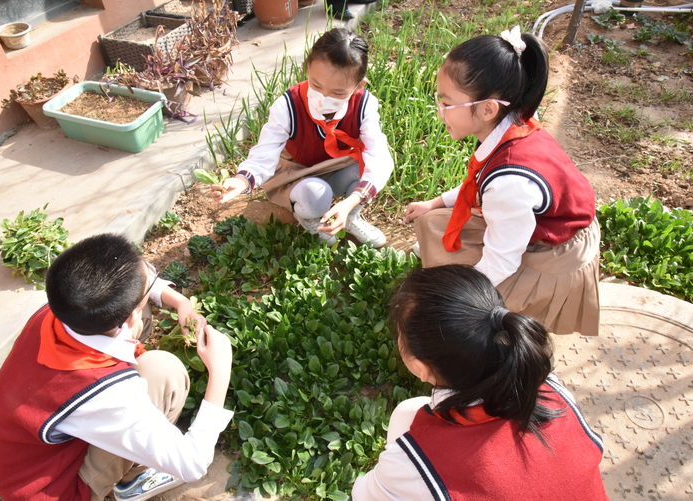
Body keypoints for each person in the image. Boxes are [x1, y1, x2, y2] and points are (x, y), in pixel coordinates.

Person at [0, 234, 234, 501]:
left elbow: (138, 280)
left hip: (20, 450)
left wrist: (181, 303)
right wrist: (220, 370)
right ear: (129, 317)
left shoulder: (64, 305)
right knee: (164, 372)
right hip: (51, 488)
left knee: (139, 320)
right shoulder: (107, 395)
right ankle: (132, 481)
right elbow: (192, 464)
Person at [403, 27, 600, 336]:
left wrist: (452, 297)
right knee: (431, 221)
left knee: (455, 306)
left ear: (487, 109)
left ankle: (512, 330)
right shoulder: (513, 125)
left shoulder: (509, 181)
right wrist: (435, 202)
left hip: (556, 259)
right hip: (539, 232)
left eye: (446, 104)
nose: (440, 112)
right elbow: (481, 185)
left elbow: (500, 263)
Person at [352, 265, 610, 501]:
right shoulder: (554, 390)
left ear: (420, 367)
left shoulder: (415, 462)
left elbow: (364, 494)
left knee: (405, 414)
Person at [210, 28, 393, 248]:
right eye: (316, 85)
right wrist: (241, 180)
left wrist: (350, 202)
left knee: (365, 167)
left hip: (337, 166)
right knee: (314, 194)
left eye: (338, 93)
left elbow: (379, 157)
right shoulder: (288, 106)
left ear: (358, 87)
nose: (324, 97)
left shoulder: (364, 105)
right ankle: (310, 217)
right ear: (307, 69)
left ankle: (351, 216)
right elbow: (265, 152)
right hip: (296, 172)